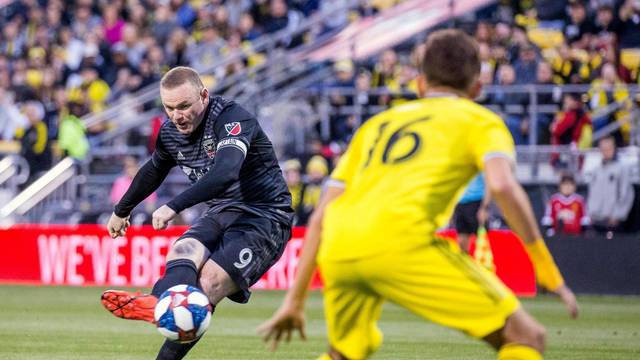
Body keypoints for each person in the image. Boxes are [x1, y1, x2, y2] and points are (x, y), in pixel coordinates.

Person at [258, 29, 578, 360]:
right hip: (402, 240)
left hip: (339, 246)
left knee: (346, 351)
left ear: (420, 84)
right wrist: (546, 270)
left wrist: (295, 300)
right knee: (525, 335)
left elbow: (324, 211)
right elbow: (501, 185)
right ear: (477, 88)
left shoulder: (377, 126)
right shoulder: (481, 121)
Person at [101, 66, 293, 360]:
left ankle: (163, 312)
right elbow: (154, 170)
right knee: (183, 249)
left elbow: (226, 171)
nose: (177, 115)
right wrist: (121, 209)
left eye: (184, 106)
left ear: (204, 96)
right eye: (169, 108)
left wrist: (174, 205)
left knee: (210, 283)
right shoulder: (170, 133)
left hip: (264, 215)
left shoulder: (231, 118)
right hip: (222, 209)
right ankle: (158, 302)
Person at [587, 136, 635, 236]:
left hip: (613, 221)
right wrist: (590, 213)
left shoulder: (622, 168)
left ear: (614, 148)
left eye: (609, 148)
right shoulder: (596, 169)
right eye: (603, 148)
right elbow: (591, 193)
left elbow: (626, 194)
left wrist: (617, 215)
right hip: (596, 220)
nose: (606, 151)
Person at [453, 173, 491, 254]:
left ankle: (484, 264)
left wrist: (484, 207)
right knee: (462, 235)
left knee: (482, 237)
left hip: (476, 201)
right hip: (460, 202)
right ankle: (464, 261)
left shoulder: (482, 163)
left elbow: (490, 184)